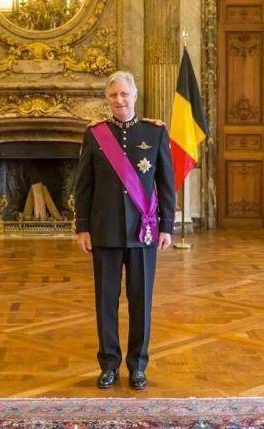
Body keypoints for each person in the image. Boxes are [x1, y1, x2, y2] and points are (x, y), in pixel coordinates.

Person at [74, 71, 175, 390]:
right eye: (113, 95)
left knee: (140, 302)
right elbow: (83, 185)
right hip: (104, 230)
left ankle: (138, 366)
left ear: (134, 95)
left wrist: (167, 226)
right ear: (107, 99)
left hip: (143, 232)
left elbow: (166, 183)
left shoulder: (154, 132)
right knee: (106, 301)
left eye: (124, 94)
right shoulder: (95, 134)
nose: (119, 100)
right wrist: (82, 227)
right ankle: (109, 365)